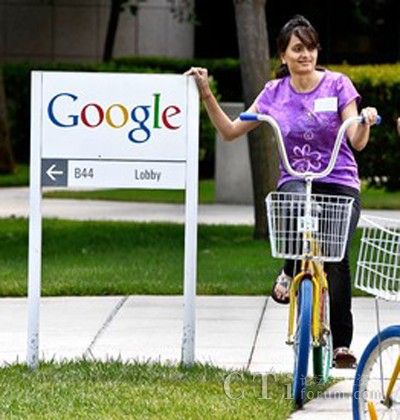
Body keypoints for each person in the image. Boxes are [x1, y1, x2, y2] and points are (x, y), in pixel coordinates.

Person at [186, 14, 379, 368]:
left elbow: (356, 140)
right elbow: (230, 131)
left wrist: (364, 122)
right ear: (283, 55)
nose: (306, 55)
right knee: (289, 204)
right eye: (298, 48)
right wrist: (206, 93)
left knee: (336, 257)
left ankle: (342, 344)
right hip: (296, 177)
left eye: (311, 47)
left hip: (339, 179)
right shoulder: (273, 93)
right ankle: (290, 269)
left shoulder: (338, 84)